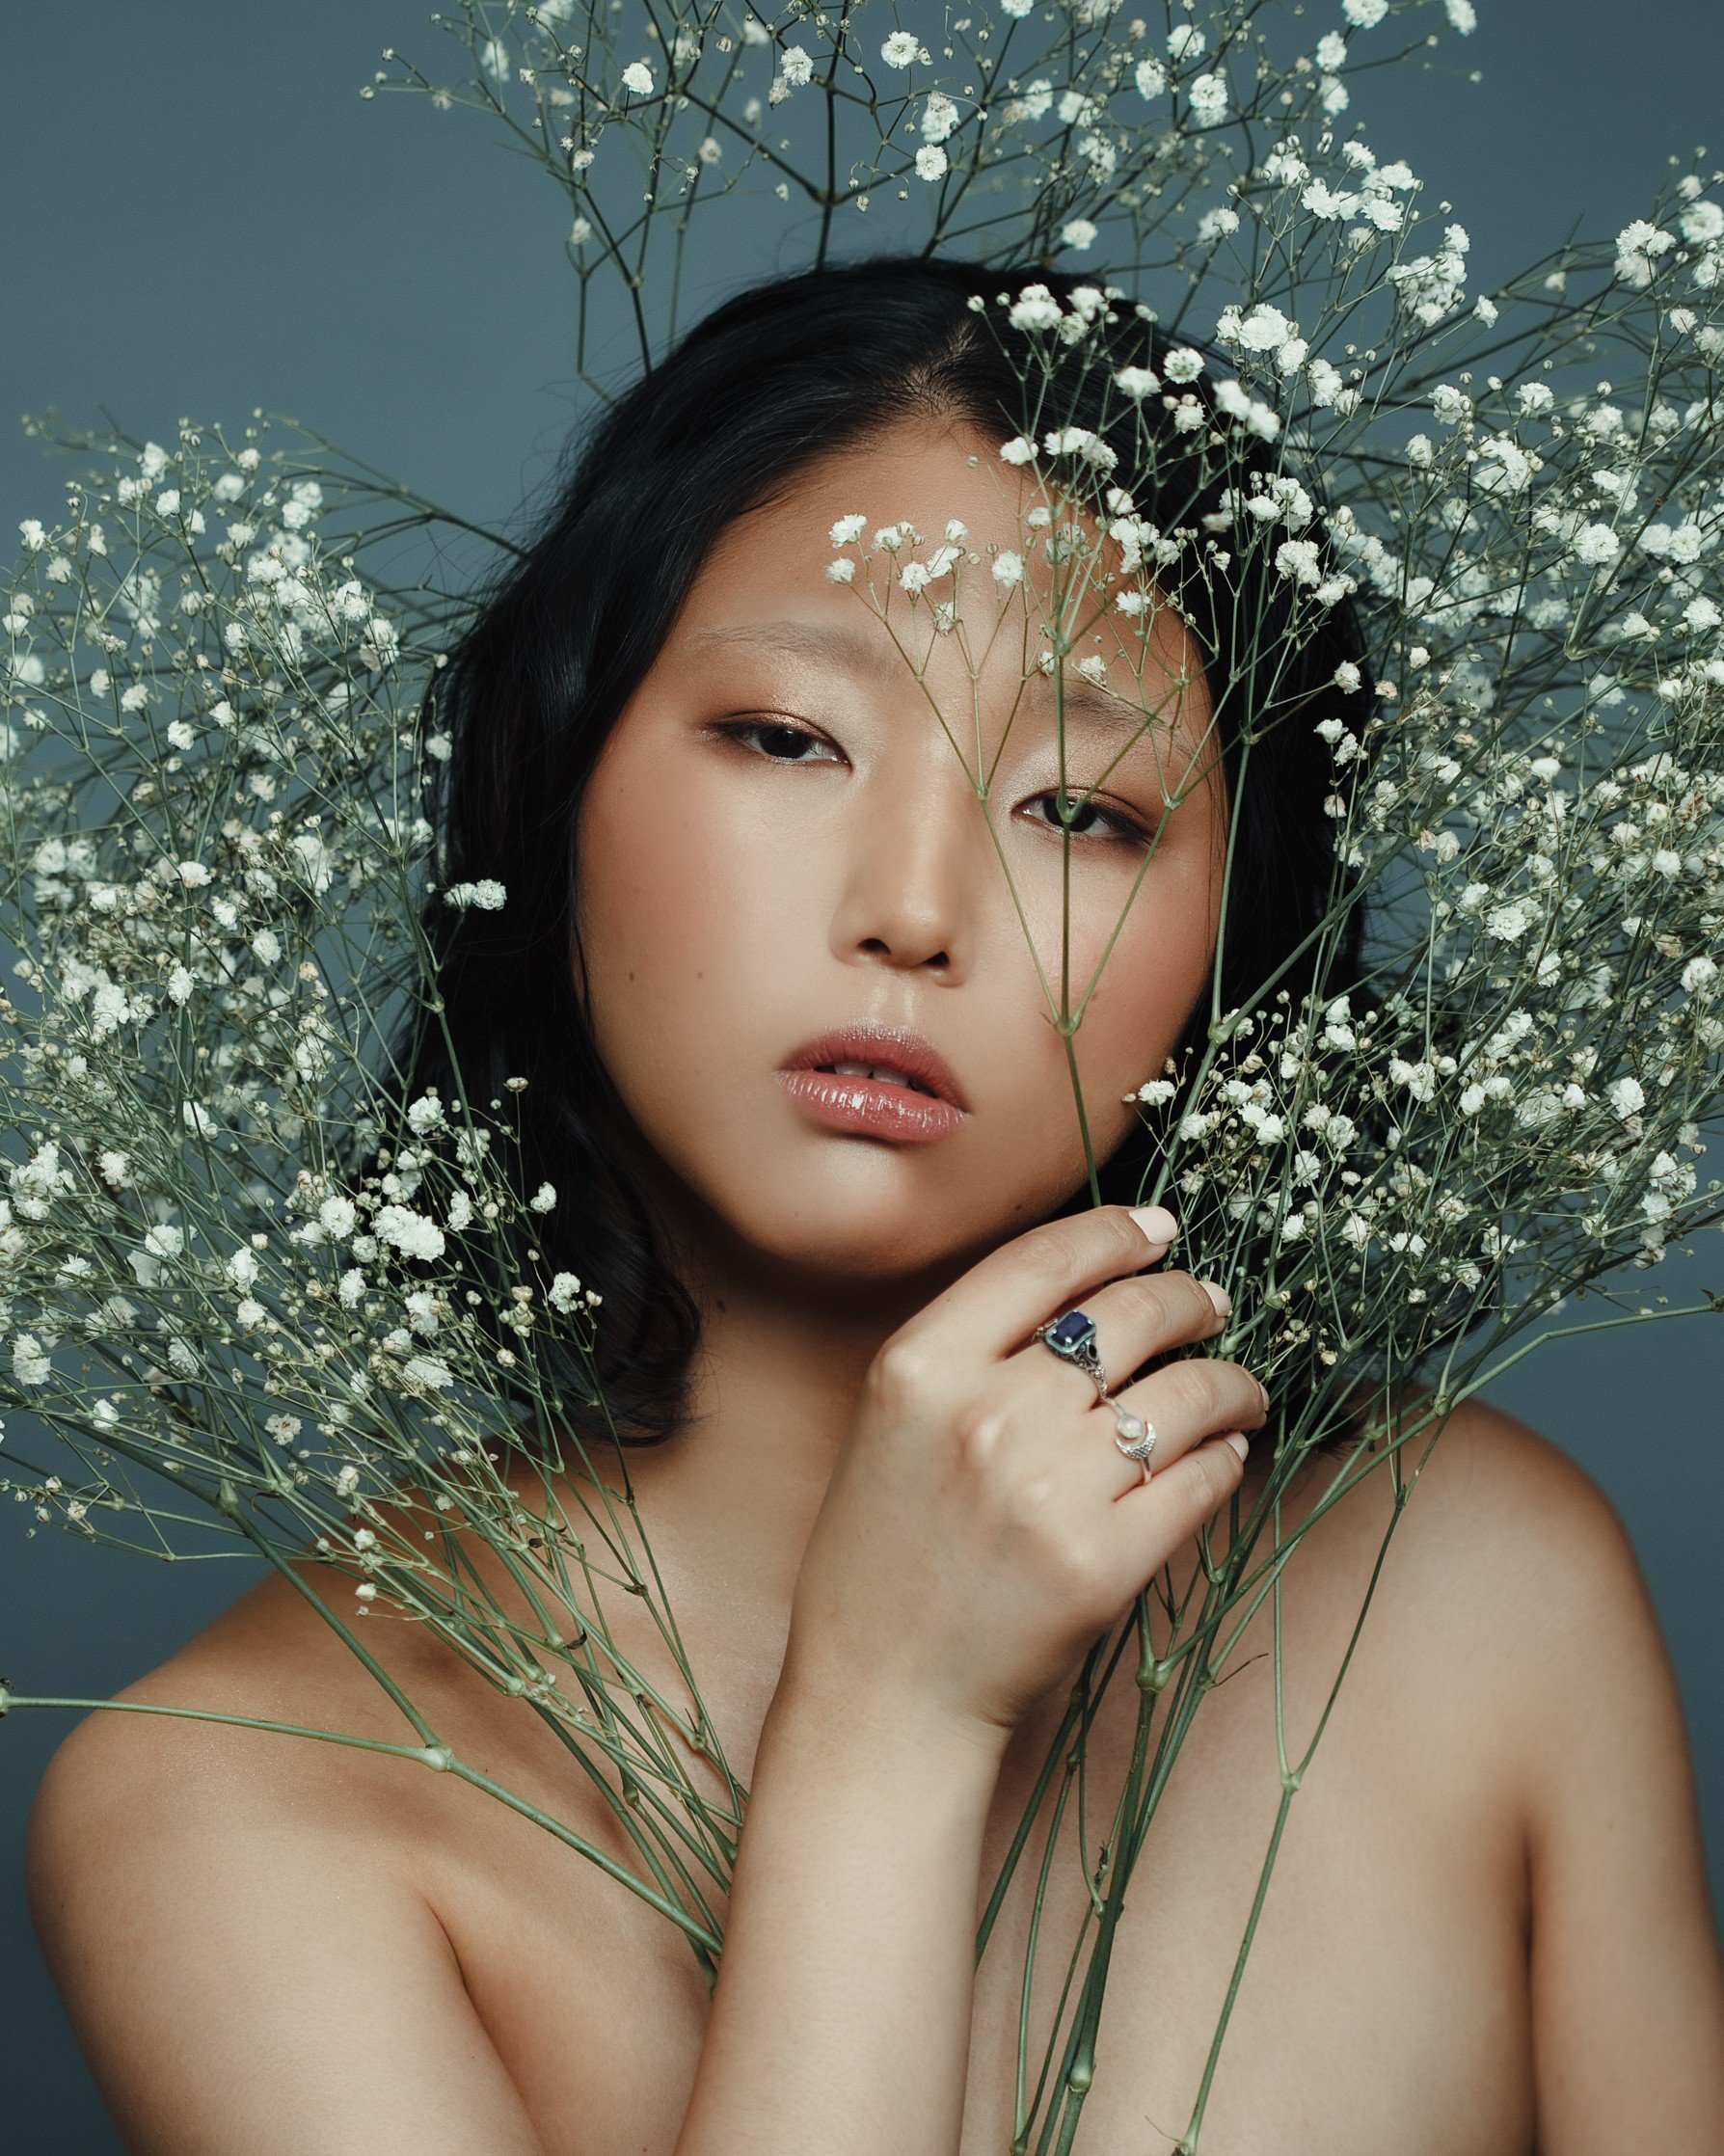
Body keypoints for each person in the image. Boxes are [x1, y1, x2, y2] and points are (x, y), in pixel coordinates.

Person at [24, 257, 1724, 2154]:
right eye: (787, 737)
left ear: (1238, 944)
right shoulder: (241, 1801)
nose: (913, 907)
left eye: (1084, 809)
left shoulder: (1475, 1583)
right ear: (544, 772)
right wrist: (885, 1735)